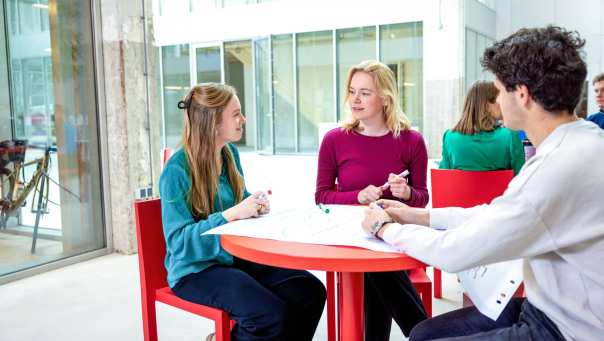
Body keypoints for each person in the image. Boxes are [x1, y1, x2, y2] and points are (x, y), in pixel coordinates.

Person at [362, 26, 604, 341]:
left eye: (499, 91)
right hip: (551, 305)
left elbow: (455, 253)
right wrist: (419, 216)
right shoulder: (585, 140)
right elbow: (499, 213)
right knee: (422, 332)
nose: (498, 101)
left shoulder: (555, 168)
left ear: (522, 95)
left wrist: (385, 227)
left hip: (567, 328)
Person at [160, 83, 326, 341]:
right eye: (236, 114)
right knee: (268, 315)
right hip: (195, 271)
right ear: (213, 122)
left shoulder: (229, 154)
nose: (243, 119)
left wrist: (252, 203)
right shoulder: (176, 171)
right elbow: (178, 244)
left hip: (233, 258)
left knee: (309, 290)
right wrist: (231, 215)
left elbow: (237, 199)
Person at [315, 60, 428, 340]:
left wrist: (407, 194)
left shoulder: (412, 141)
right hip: (350, 237)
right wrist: (357, 197)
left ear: (385, 98)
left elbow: (422, 199)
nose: (355, 99)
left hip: (394, 236)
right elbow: (321, 197)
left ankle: (425, 333)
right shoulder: (334, 140)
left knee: (374, 269)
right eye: (352, 91)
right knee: (373, 268)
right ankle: (427, 332)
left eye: (365, 92)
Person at [440, 80, 525, 175]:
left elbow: (443, 180)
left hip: (460, 190)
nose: (502, 103)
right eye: (499, 98)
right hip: (501, 190)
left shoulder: (449, 137)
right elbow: (522, 179)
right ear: (487, 105)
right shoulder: (510, 136)